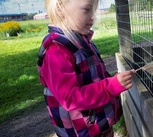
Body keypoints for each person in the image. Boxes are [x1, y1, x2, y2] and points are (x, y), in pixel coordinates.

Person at [37, 0, 136, 136]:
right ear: (60, 8)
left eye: (93, 10)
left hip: (99, 126)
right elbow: (70, 98)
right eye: (86, 10)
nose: (92, 16)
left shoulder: (82, 42)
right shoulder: (57, 51)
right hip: (82, 132)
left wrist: (113, 80)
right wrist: (110, 87)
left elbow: (93, 77)